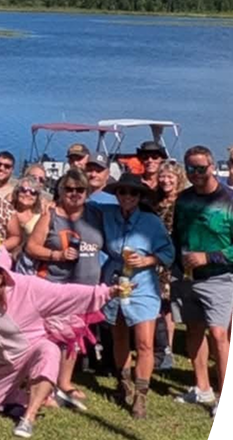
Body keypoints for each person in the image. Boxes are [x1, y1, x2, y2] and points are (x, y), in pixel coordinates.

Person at [0, 247, 117, 439]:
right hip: (2, 364)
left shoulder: (27, 286)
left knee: (49, 351)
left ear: (6, 271)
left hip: (31, 350)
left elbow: (64, 293)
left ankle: (28, 418)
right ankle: (48, 395)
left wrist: (107, 292)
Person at [90, 171, 175, 419]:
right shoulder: (106, 214)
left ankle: (141, 395)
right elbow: (79, 203)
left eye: (133, 192)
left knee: (145, 342)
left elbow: (168, 252)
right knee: (119, 338)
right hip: (115, 280)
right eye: (123, 191)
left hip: (143, 285)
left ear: (140, 196)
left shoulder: (151, 222)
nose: (127, 196)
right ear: (116, 194)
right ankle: (123, 383)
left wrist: (148, 259)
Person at [25, 167, 106, 411]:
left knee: (74, 336)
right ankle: (43, 384)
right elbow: (31, 247)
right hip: (56, 286)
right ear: (60, 191)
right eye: (68, 189)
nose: (74, 194)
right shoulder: (51, 216)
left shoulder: (96, 213)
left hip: (85, 288)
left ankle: (64, 382)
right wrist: (57, 255)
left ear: (87, 192)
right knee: (52, 338)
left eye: (79, 190)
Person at [172, 146, 233, 423]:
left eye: (201, 168)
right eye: (190, 169)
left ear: (213, 167)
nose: (195, 174)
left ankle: (228, 402)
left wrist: (208, 257)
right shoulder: (183, 199)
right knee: (194, 331)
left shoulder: (229, 200)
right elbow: (177, 233)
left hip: (219, 278)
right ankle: (203, 388)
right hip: (186, 276)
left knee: (220, 337)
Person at [154, 160, 188, 372]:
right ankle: (160, 347)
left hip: (175, 259)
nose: (166, 180)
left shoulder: (184, 202)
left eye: (170, 177)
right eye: (163, 176)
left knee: (169, 307)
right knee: (158, 305)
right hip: (155, 258)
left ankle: (168, 348)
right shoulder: (155, 202)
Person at [6, 177, 45, 275]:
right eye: (23, 190)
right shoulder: (6, 211)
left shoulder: (40, 216)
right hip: (5, 259)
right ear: (17, 192)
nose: (27, 194)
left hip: (28, 266)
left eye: (33, 192)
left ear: (37, 197)